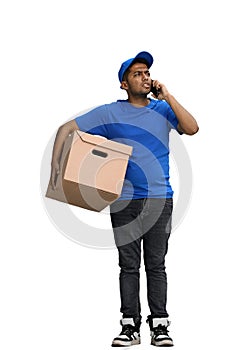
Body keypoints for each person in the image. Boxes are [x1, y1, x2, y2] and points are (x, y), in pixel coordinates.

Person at [49, 51, 199, 347]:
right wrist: (57, 166)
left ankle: (160, 325)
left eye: (147, 73)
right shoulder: (109, 113)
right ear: (123, 84)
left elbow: (192, 128)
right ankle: (129, 325)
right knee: (129, 265)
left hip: (159, 198)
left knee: (156, 265)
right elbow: (65, 129)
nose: (144, 77)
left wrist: (167, 95)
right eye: (136, 74)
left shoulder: (162, 110)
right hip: (124, 201)